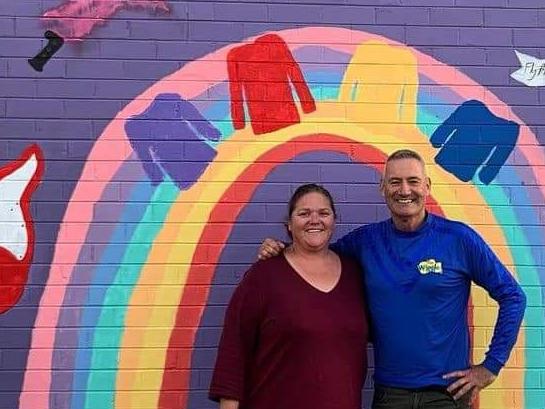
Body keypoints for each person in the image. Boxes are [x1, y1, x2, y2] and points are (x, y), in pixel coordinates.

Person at [258, 149, 526, 409]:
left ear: (427, 186)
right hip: (390, 395)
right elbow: (316, 257)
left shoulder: (458, 239)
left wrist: (491, 366)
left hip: (447, 394)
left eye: (413, 181)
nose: (405, 190)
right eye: (395, 182)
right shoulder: (365, 242)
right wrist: (283, 250)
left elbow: (513, 296)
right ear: (383, 188)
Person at [209, 184, 369, 409]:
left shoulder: (354, 275)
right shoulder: (264, 276)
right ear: (289, 225)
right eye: (304, 213)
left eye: (323, 213)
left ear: (334, 221)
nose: (315, 219)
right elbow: (234, 352)